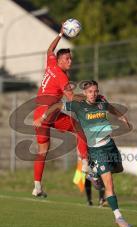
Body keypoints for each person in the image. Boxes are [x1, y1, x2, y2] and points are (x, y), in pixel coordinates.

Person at [33, 80, 132, 227]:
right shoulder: (78, 105)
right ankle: (119, 217)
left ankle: (94, 173)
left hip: (110, 144)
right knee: (109, 184)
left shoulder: (101, 101)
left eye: (95, 91)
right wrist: (44, 116)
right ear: (85, 93)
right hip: (97, 150)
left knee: (119, 169)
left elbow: (110, 107)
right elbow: (57, 105)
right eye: (90, 92)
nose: (93, 94)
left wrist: (122, 117)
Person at [32, 24, 88, 197]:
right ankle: (85, 163)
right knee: (79, 128)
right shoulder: (61, 76)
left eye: (71, 58)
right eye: (68, 59)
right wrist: (88, 97)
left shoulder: (51, 64)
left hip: (38, 113)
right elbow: (71, 98)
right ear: (60, 60)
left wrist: (60, 34)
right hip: (50, 113)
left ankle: (37, 187)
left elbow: (50, 49)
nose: (70, 61)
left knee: (42, 151)